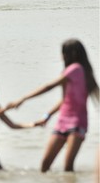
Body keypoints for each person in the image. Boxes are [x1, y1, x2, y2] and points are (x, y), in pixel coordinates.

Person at [10, 39, 99, 172]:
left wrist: (24, 98)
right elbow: (64, 101)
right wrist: (47, 116)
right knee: (45, 165)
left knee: (68, 166)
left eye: (63, 53)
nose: (61, 56)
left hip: (77, 123)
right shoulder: (75, 72)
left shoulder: (75, 69)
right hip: (62, 122)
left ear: (71, 54)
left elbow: (48, 86)